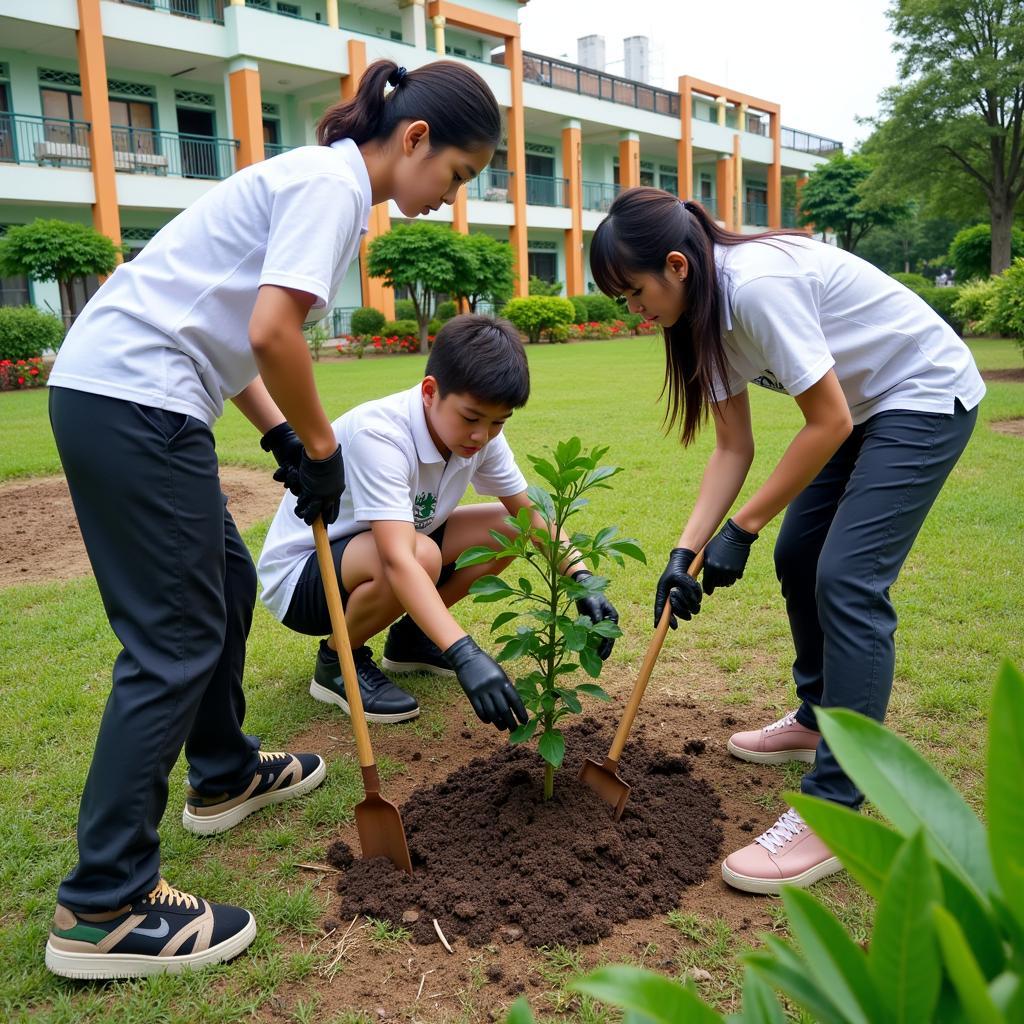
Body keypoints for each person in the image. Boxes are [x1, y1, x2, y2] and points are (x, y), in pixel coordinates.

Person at [44, 58, 502, 979]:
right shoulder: (334, 187)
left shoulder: (314, 178)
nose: (449, 198)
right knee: (173, 637)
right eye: (455, 175)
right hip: (136, 399)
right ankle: (105, 905)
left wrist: (286, 439)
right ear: (414, 140)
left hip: (140, 392)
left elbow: (231, 337)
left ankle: (222, 772)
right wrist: (323, 447)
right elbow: (271, 331)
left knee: (224, 581)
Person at [590, 186, 984, 895]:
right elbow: (732, 450)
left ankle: (837, 807)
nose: (633, 311)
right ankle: (814, 716)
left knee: (847, 579)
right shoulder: (696, 318)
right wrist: (686, 552)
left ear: (676, 265)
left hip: (922, 393)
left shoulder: (756, 289)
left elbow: (825, 421)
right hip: (864, 406)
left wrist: (743, 525)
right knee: (798, 554)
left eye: (633, 293)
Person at [257, 314, 620, 729]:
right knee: (420, 554)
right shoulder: (381, 435)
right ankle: (338, 661)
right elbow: (398, 560)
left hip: (384, 548)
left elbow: (529, 512)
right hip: (305, 577)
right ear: (430, 392)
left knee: (508, 527)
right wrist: (463, 652)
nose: (482, 436)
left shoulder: (480, 435)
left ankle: (412, 639)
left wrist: (581, 577)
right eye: (471, 419)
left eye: (498, 422)